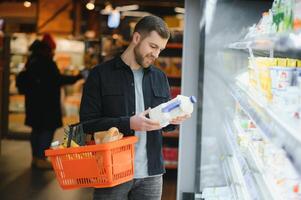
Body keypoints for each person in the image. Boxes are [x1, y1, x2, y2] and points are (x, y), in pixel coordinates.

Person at [80, 15, 190, 200]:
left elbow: (165, 124)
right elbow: (87, 124)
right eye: (153, 46)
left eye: (160, 49)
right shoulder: (100, 75)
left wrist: (173, 120)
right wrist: (129, 123)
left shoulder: (160, 77)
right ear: (137, 38)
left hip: (151, 174)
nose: (156, 54)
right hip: (112, 172)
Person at [19, 35, 82, 169]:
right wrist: (77, 77)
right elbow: (57, 79)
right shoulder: (46, 62)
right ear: (47, 49)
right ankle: (41, 159)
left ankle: (35, 158)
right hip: (46, 104)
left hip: (33, 102)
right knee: (47, 129)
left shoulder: (32, 60)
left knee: (36, 129)